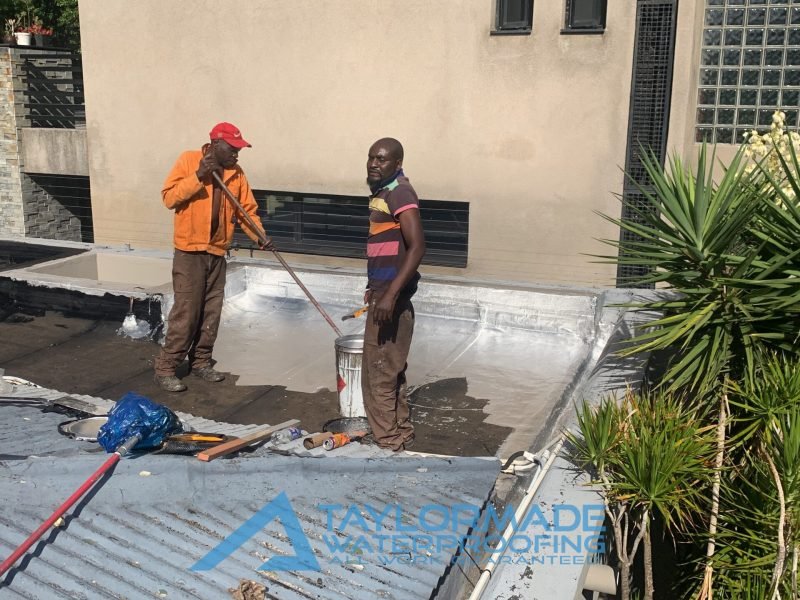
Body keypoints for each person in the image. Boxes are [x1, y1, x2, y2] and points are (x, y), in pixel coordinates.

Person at [154, 122, 272, 392]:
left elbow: (247, 211)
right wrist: (198, 175)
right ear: (216, 144)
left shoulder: (236, 173)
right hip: (189, 252)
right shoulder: (188, 160)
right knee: (187, 311)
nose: (237, 154)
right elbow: (169, 198)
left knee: (211, 312)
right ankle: (166, 367)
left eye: (239, 149)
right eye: (233, 148)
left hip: (217, 251)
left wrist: (259, 236)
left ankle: (201, 362)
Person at [362, 138, 426, 451]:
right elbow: (385, 248)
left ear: (397, 163)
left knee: (377, 374)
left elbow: (417, 247)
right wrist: (372, 287)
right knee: (391, 368)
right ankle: (401, 432)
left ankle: (387, 442)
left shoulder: (400, 192)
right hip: (382, 293)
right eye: (371, 157)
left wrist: (388, 296)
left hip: (391, 299)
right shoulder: (383, 194)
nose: (374, 163)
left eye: (382, 159)